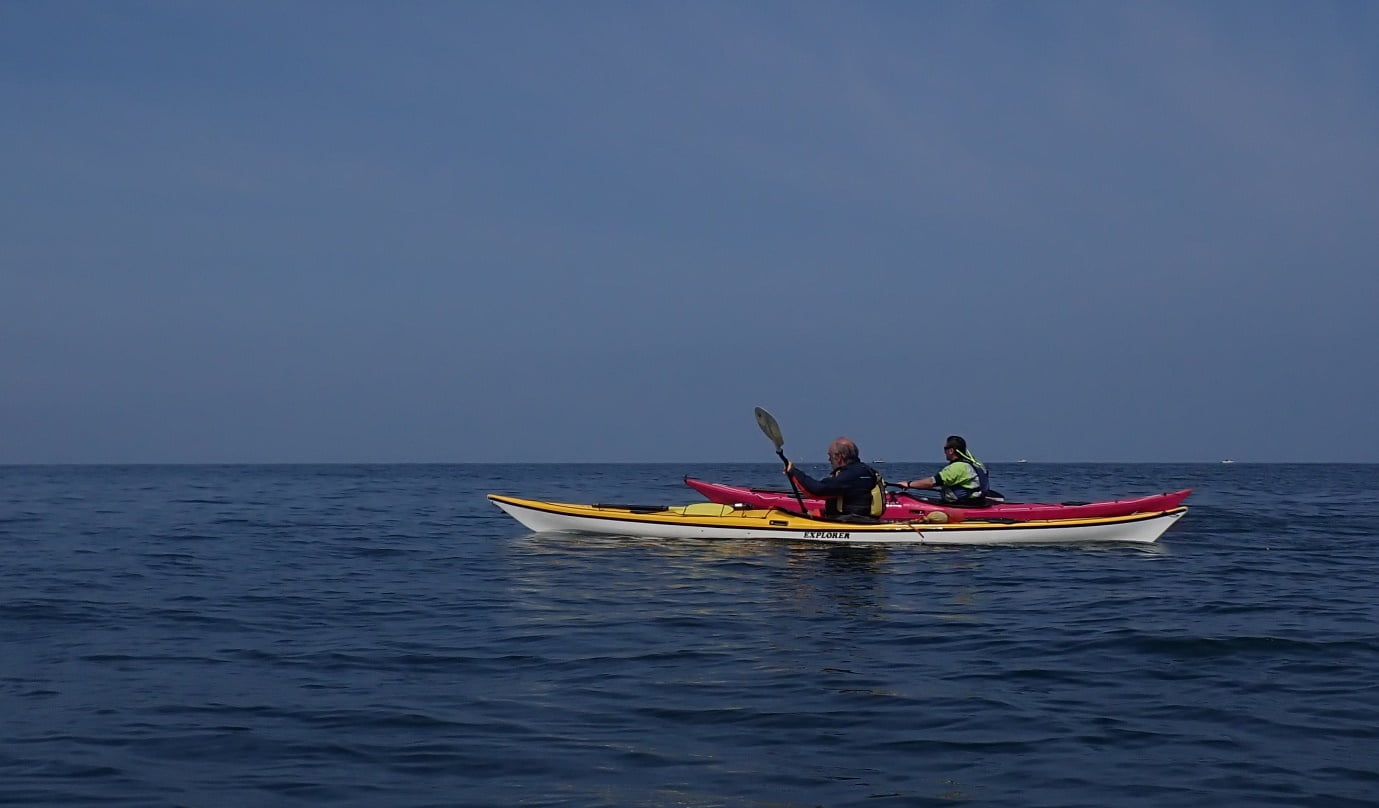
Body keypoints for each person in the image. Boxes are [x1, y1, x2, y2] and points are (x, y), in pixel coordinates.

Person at [784, 437, 884, 522]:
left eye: (830, 456)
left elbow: (817, 490)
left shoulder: (850, 475)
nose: (829, 460)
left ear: (839, 457)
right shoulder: (866, 471)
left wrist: (794, 472)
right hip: (860, 520)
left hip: (854, 523)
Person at [895, 435, 990, 506]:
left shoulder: (957, 467)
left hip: (962, 505)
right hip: (978, 502)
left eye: (945, 449)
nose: (944, 452)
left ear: (951, 451)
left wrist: (909, 484)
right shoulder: (977, 463)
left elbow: (932, 482)